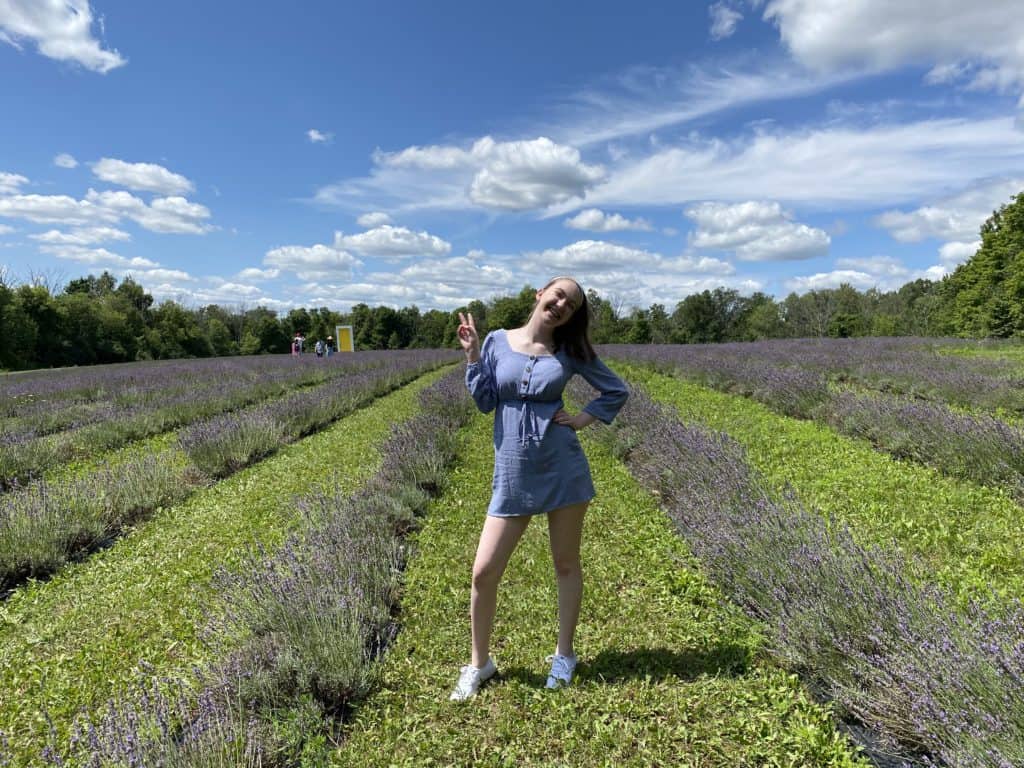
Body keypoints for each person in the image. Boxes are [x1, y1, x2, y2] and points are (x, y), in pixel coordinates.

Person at [450, 276, 628, 702]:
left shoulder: (569, 352)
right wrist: (473, 356)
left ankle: (564, 655)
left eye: (572, 304)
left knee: (565, 564)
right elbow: (486, 401)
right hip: (512, 472)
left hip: (563, 469)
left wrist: (583, 419)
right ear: (540, 294)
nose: (563, 305)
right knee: (483, 572)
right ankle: (480, 663)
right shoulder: (496, 341)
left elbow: (616, 389)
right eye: (559, 294)